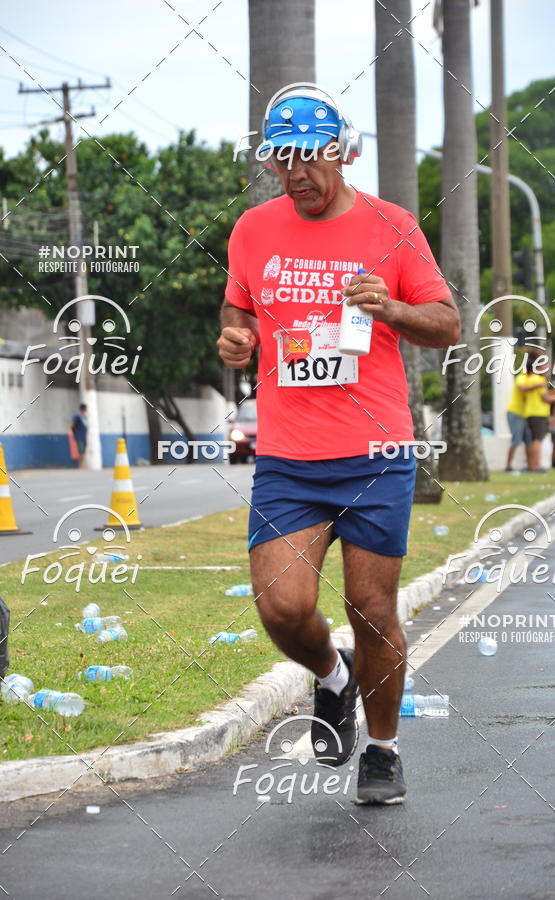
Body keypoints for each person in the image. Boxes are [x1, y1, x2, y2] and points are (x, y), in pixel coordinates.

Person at [217, 83, 459, 805]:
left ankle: (382, 752)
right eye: (281, 161)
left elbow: (446, 323)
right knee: (280, 607)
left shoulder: (391, 226)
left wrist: (392, 307)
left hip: (375, 451)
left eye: (307, 159)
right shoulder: (253, 230)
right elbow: (237, 314)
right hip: (290, 456)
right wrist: (235, 340)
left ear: (340, 153)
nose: (294, 175)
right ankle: (334, 678)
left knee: (370, 607)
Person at [520, 358, 555, 472]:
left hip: (530, 412)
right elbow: (544, 398)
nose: (546, 369)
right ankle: (536, 466)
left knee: (532, 439)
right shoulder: (539, 380)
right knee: (537, 440)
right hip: (538, 413)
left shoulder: (529, 378)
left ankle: (532, 465)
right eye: (543, 366)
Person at [505, 371, 531, 472]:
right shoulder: (522, 377)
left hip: (524, 414)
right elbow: (521, 388)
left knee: (529, 440)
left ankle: (530, 465)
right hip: (515, 412)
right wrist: (537, 386)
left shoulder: (532, 380)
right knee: (516, 439)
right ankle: (508, 466)